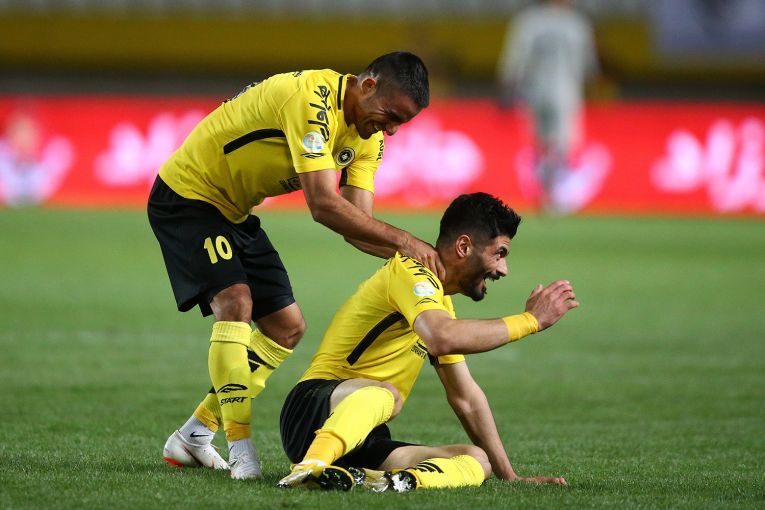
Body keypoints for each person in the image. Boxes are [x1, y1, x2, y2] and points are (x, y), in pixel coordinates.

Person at [148, 51, 445, 480]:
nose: (393, 129)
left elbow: (358, 225)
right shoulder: (312, 98)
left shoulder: (369, 138)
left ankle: (194, 434)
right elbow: (323, 205)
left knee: (286, 327)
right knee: (235, 302)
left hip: (234, 212)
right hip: (188, 195)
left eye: (403, 122)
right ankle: (241, 450)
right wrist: (406, 241)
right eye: (391, 115)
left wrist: (422, 265)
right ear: (367, 85)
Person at [276, 192, 578, 492]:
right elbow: (441, 337)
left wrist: (509, 476)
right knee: (388, 394)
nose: (503, 269)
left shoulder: (440, 304)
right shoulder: (409, 271)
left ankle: (379, 481)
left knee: (476, 459)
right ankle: (310, 467)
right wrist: (530, 321)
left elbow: (466, 398)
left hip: (363, 434)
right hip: (312, 408)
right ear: (464, 246)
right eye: (499, 253)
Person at [496, 0, 599, 213]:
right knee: (560, 144)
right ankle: (552, 193)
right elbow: (589, 64)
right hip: (565, 92)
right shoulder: (576, 23)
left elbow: (514, 59)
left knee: (541, 144)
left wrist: (508, 86)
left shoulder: (529, 21)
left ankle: (546, 191)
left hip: (533, 91)